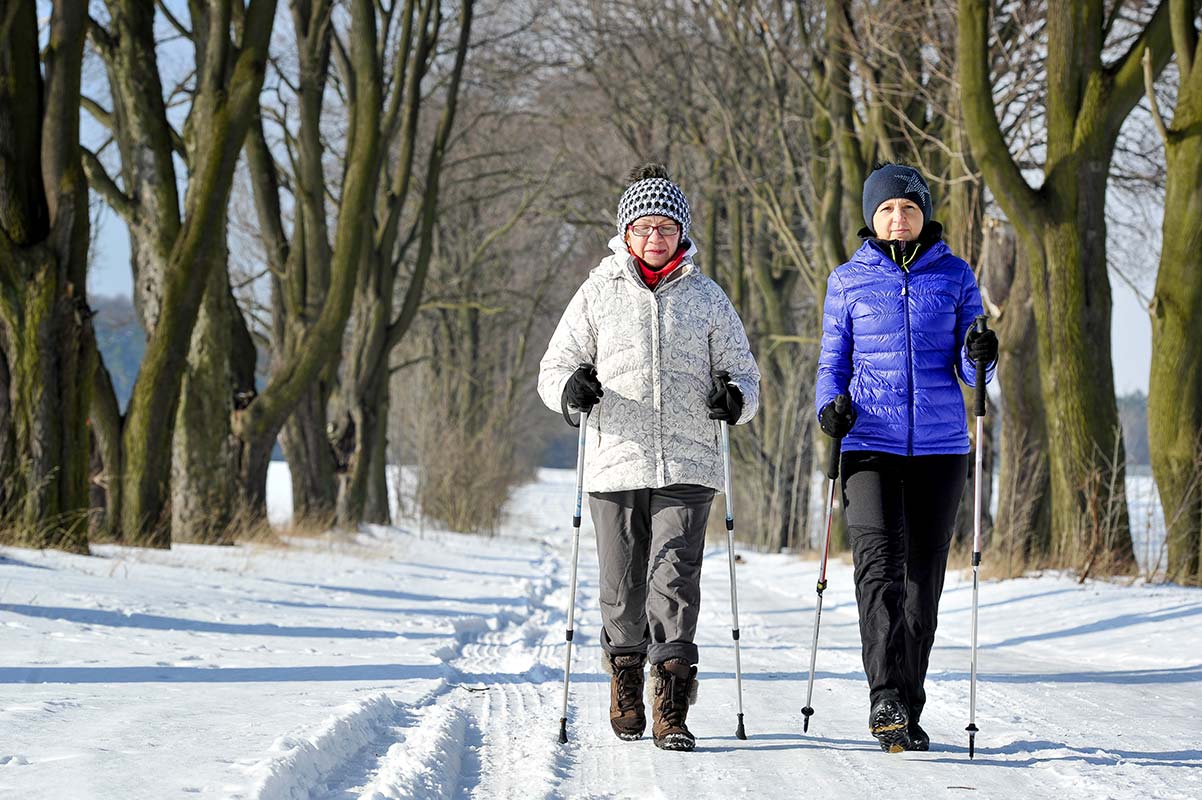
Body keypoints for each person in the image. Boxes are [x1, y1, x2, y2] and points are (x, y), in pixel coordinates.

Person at [538, 163, 760, 751]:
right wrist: (570, 391)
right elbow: (553, 368)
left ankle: (671, 704)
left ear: (681, 233)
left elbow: (746, 376)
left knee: (674, 580)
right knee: (622, 586)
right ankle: (626, 680)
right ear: (626, 233)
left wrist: (733, 397)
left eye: (666, 226)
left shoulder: (708, 298)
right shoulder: (596, 295)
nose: (655, 236)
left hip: (688, 464)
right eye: (644, 226)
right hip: (615, 463)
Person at [814, 162, 998, 753]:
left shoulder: (955, 274)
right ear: (873, 216)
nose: (900, 218)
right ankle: (884, 697)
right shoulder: (847, 280)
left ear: (924, 216)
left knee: (923, 586)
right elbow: (831, 364)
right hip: (868, 444)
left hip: (941, 448)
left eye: (910, 209)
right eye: (889, 209)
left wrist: (982, 350)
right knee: (878, 571)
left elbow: (975, 370)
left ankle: (907, 709)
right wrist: (828, 410)